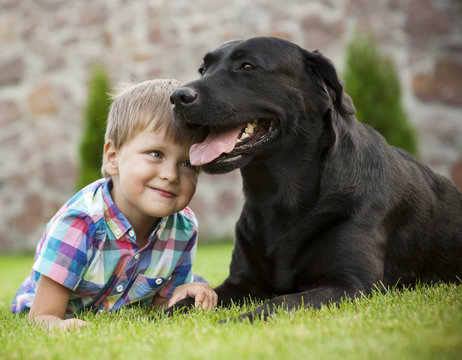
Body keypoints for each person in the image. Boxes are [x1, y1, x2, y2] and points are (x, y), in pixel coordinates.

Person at [11, 79, 217, 331]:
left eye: (187, 164)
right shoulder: (80, 222)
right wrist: (60, 326)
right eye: (156, 154)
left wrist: (184, 293)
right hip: (49, 304)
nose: (171, 175)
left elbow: (160, 307)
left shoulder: (184, 227)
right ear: (113, 158)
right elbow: (41, 317)